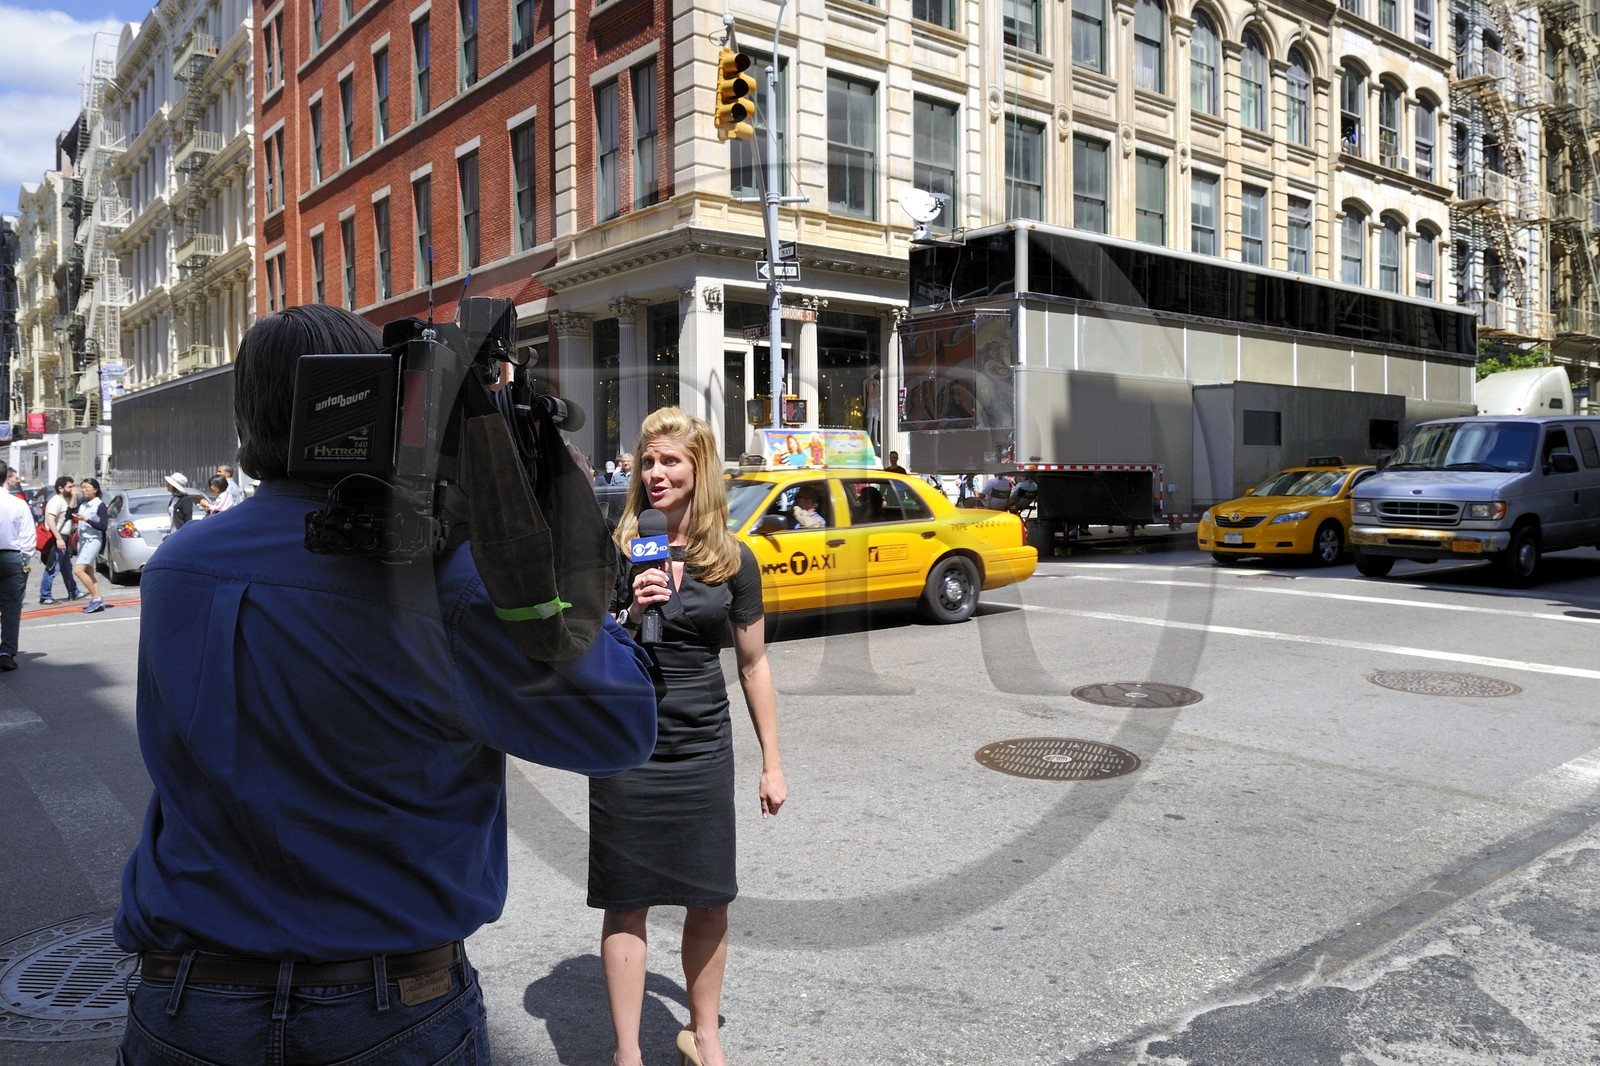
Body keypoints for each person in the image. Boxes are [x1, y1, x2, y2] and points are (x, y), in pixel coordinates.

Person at [114, 303, 659, 1065]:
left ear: (249, 417)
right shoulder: (448, 581)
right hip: (384, 1010)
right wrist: (538, 532)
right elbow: (618, 728)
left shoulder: (177, 568)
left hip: (186, 1002)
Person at [597, 406, 786, 1066]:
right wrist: (632, 610)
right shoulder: (620, 551)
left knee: (709, 899)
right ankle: (627, 1053)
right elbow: (585, 646)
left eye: (670, 460)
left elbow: (754, 665)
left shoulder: (732, 559)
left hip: (702, 744)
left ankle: (703, 1036)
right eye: (648, 461)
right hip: (627, 745)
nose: (655, 472)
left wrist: (772, 762)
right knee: (626, 902)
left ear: (699, 468)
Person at [0, 460, 37, 672]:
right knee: (11, 607)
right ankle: (6, 652)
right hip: (12, 556)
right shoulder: (18, 503)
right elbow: (28, 537)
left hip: (11, 555)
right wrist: (24, 560)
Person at [39, 475, 80, 604]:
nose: (73, 489)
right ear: (60, 488)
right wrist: (58, 538)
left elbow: (69, 513)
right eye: (70, 487)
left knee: (66, 567)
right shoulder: (56, 501)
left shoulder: (64, 501)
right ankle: (45, 595)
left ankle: (73, 591)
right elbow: (50, 520)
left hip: (65, 538)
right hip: (59, 537)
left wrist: (73, 498)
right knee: (53, 567)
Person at [72, 477, 109, 614]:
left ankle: (97, 598)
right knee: (88, 571)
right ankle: (96, 599)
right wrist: (73, 497)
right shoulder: (83, 503)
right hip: (82, 540)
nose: (84, 491)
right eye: (82, 488)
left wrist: (86, 519)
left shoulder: (99, 505)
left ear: (95, 490)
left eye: (87, 488)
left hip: (93, 540)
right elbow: (69, 514)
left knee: (78, 570)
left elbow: (103, 526)